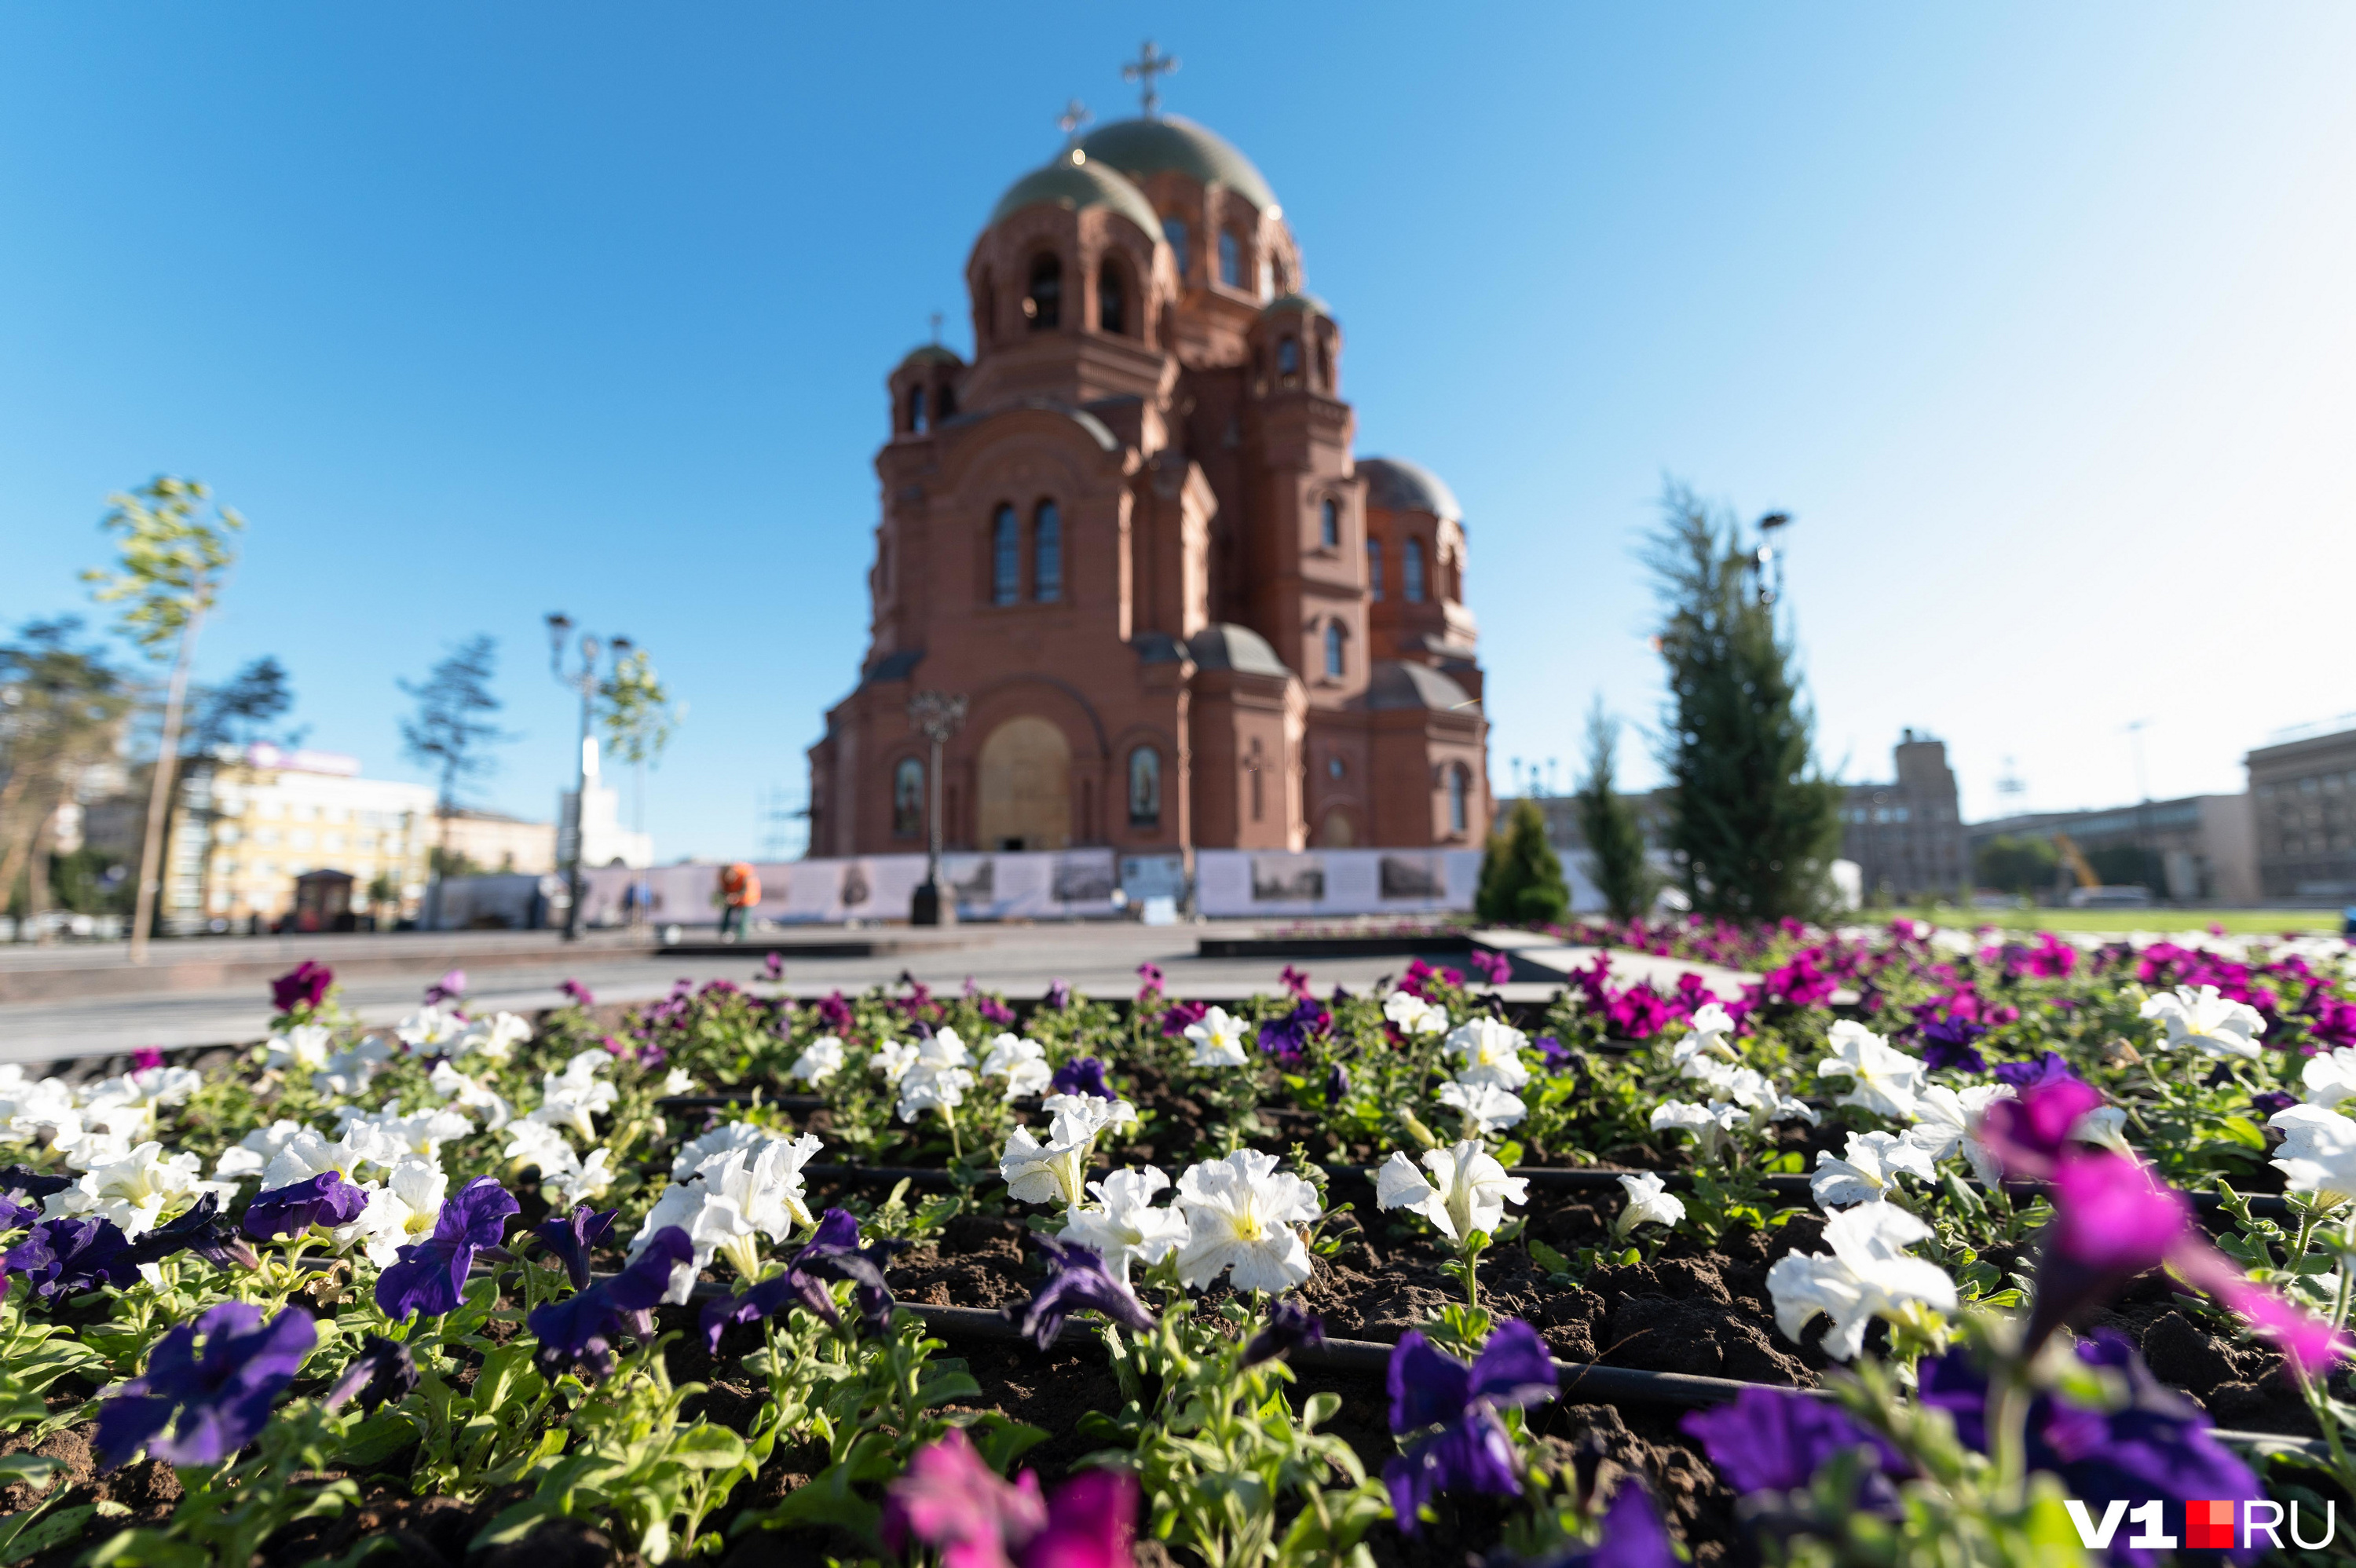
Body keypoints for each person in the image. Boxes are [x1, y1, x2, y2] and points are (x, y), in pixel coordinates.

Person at [718, 861, 760, 941]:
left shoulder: (745, 874)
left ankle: (742, 938)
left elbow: (746, 890)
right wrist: (727, 897)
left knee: (743, 918)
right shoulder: (722, 876)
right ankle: (723, 934)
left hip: (748, 899)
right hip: (733, 897)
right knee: (727, 915)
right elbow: (723, 890)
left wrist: (735, 896)